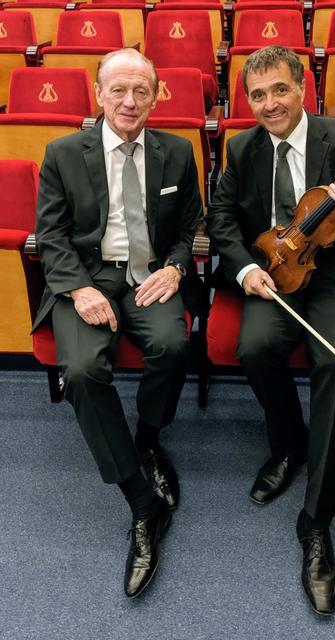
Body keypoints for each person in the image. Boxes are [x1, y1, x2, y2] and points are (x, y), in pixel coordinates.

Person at [207, 45, 335, 616]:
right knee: (255, 347)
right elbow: (221, 217)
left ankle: (315, 524)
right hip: (277, 268)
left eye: (279, 90)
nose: (269, 104)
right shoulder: (239, 146)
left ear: (303, 88)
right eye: (257, 95)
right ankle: (288, 445)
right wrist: (244, 267)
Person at [33, 48, 206, 599]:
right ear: (98, 94)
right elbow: (51, 236)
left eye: (141, 92)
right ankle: (141, 501)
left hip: (150, 276)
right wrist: (79, 287)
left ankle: (149, 441)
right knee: (82, 371)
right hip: (85, 278)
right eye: (119, 91)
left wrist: (177, 268)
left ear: (156, 96)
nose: (130, 102)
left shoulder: (178, 152)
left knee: (174, 346)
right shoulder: (62, 153)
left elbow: (188, 228)